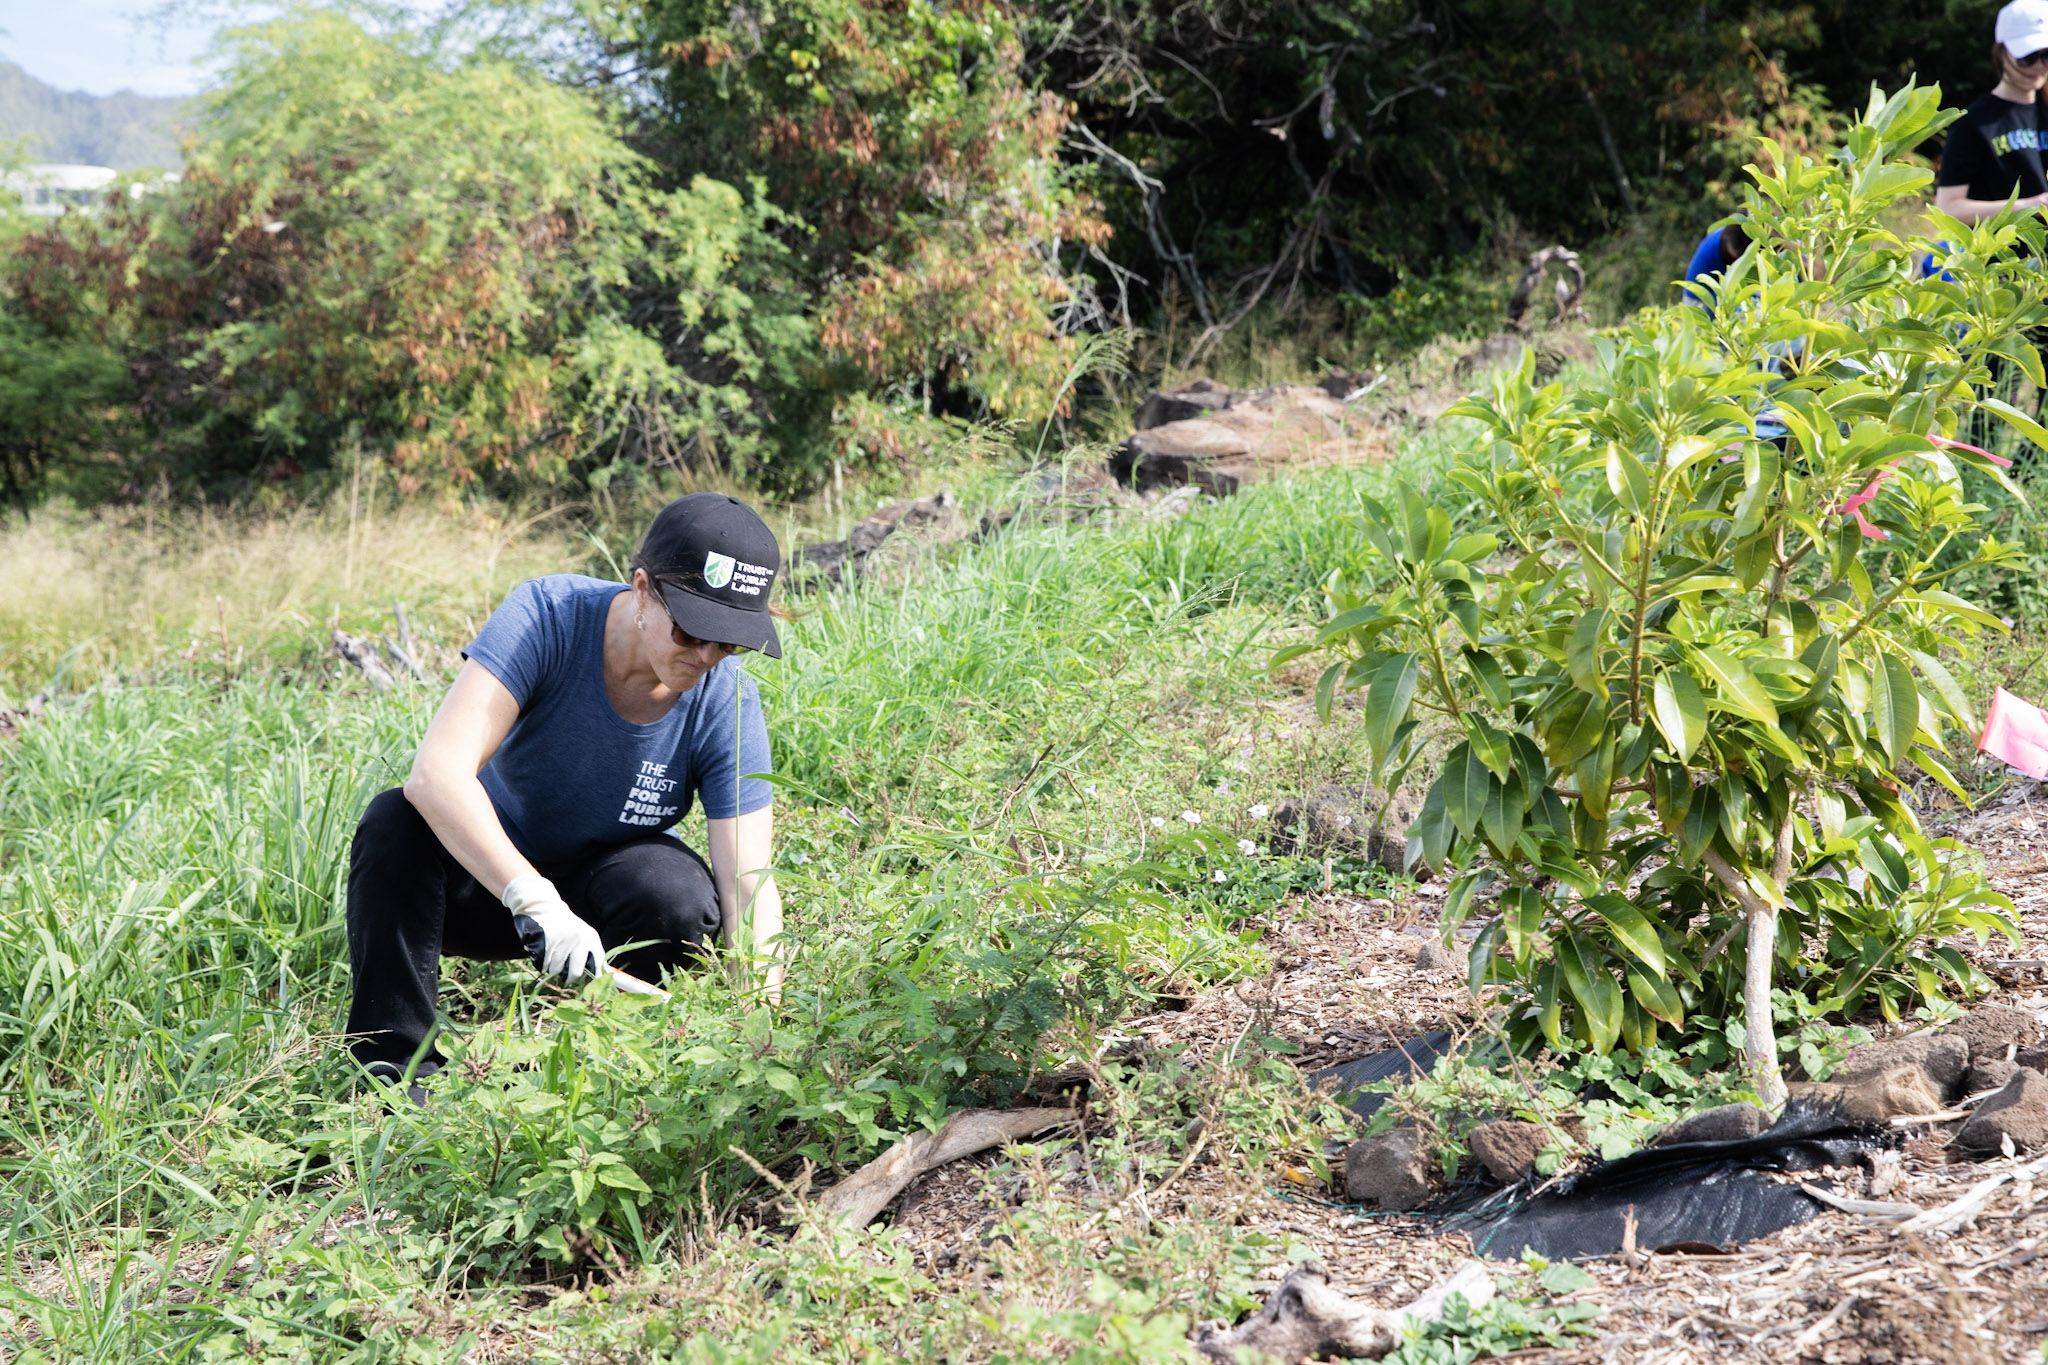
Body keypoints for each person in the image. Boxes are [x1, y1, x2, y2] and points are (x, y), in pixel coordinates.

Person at [344, 493, 787, 1099]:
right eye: (690, 631)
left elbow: (749, 883)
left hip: (610, 900)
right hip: (490, 883)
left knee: (677, 894)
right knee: (395, 819)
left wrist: (760, 1028)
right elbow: (437, 773)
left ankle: (614, 1068)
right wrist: (535, 901)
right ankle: (395, 1077)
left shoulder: (724, 702)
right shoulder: (549, 616)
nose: (705, 658)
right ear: (640, 590)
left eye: (728, 643)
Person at [1935, 0, 2048, 224]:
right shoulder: (1974, 122)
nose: (2038, 66)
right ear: (2001, 53)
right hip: (2005, 256)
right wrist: (2027, 206)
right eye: (2028, 56)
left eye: (2046, 56)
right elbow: (1947, 208)